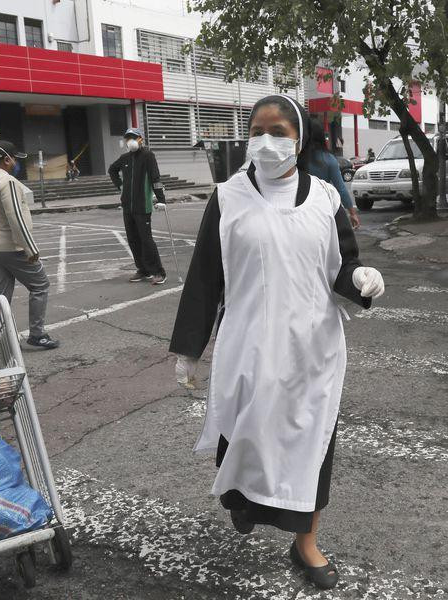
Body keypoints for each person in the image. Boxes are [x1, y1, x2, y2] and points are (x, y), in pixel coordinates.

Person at [169, 95, 385, 591]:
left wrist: (362, 279)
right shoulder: (227, 198)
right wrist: (188, 347)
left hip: (313, 353)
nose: (268, 141)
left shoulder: (325, 198)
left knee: (312, 448)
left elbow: (340, 270)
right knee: (245, 439)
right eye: (258, 129)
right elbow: (206, 278)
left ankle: (305, 543)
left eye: (279, 131)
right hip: (248, 350)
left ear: (299, 138)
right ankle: (245, 502)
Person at [0, 141, 59, 350]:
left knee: (1, 297)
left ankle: (0, 342)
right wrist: (30, 248)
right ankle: (37, 334)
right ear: (7, 159)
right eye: (15, 159)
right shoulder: (7, 181)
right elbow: (16, 217)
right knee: (40, 285)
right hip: (12, 248)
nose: (16, 163)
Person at [108, 127, 167, 285]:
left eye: (134, 137)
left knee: (146, 240)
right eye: (128, 138)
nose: (130, 141)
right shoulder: (125, 158)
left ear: (141, 139)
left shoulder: (148, 155)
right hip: (127, 206)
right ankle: (143, 269)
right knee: (133, 240)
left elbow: (156, 177)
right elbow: (112, 170)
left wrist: (161, 199)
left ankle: (158, 271)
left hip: (143, 206)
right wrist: (120, 185)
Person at [302, 117, 360, 228]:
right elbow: (341, 189)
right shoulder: (329, 159)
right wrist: (352, 213)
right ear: (322, 136)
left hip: (299, 210)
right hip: (323, 210)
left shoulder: (297, 158)